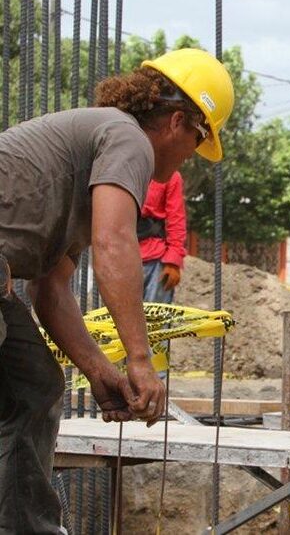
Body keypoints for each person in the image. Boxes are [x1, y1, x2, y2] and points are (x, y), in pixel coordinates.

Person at [0, 47, 234, 533]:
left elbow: (53, 291)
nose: (194, 152)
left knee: (33, 383)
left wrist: (102, 372)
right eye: (200, 136)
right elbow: (115, 243)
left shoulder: (95, 153)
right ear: (177, 121)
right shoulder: (128, 139)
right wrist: (140, 361)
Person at [139, 171, 188, 304]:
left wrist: (173, 262)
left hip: (155, 261)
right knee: (115, 321)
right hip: (120, 257)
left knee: (156, 322)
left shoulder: (170, 175)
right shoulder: (121, 168)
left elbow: (176, 219)